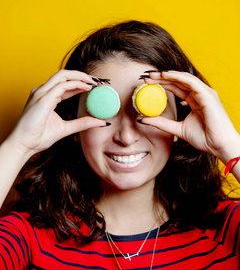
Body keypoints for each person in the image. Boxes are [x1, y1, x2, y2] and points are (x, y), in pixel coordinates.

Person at [0, 20, 240, 270]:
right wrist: (20, 144)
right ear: (73, 124)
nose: (126, 137)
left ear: (181, 120)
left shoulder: (226, 229)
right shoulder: (29, 238)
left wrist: (227, 144)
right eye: (104, 110)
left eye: (146, 110)